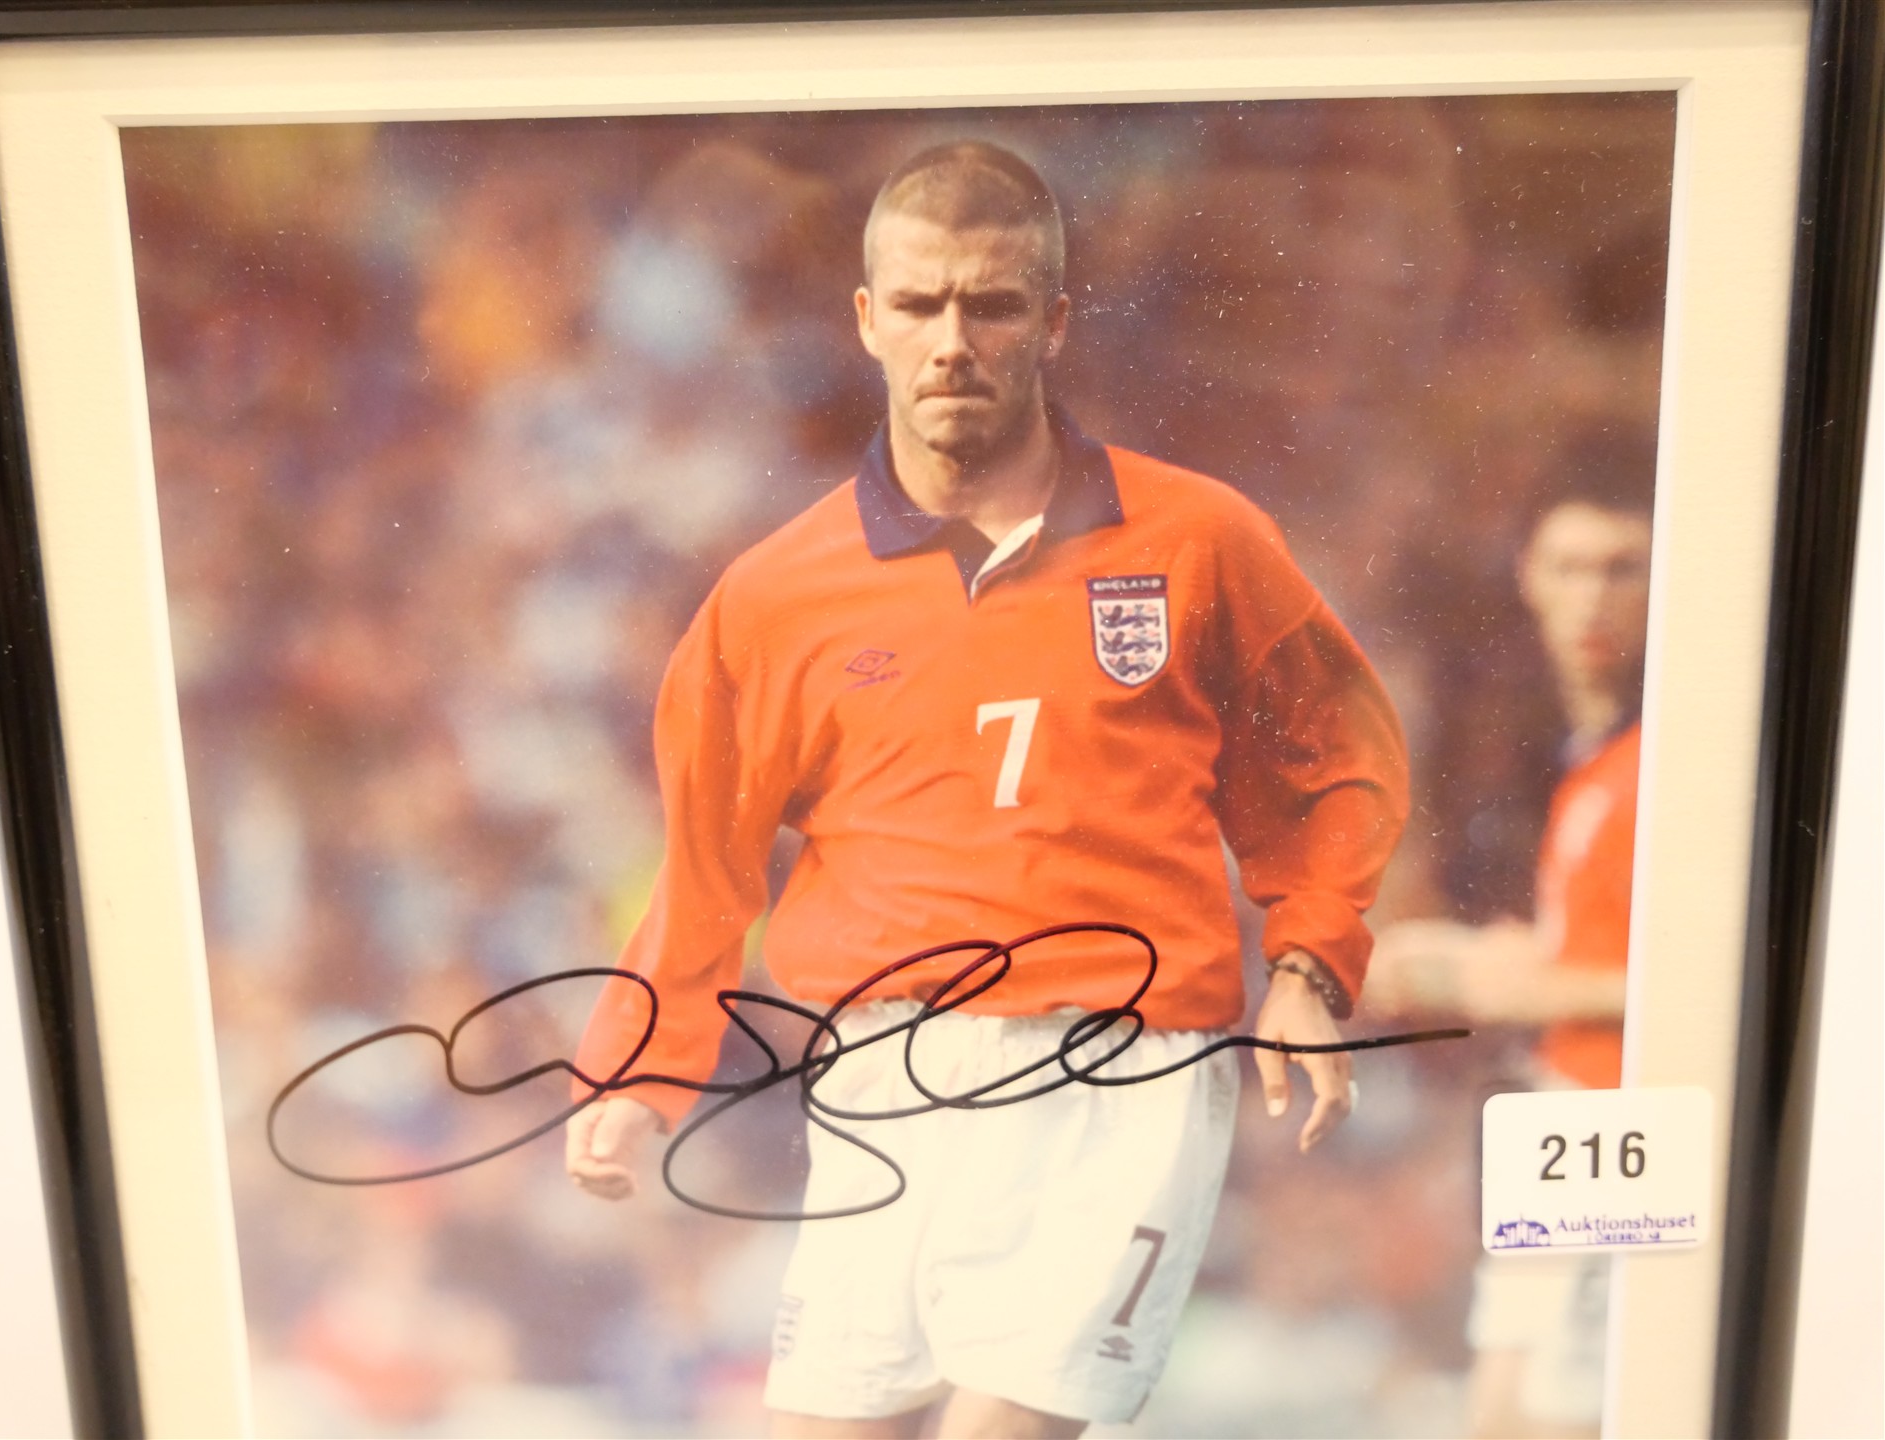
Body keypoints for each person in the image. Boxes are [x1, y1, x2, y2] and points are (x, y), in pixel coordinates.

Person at [564, 139, 1410, 1440]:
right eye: (918, 304)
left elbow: (1333, 756)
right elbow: (704, 862)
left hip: (1116, 1073)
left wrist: (1309, 963)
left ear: (1052, 321)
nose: (951, 342)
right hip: (880, 1077)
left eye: (991, 304)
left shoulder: (1197, 538)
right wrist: (638, 1067)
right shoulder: (773, 594)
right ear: (867, 320)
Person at [1366, 452, 1653, 1440]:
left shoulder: (1670, 755)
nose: (1592, 597)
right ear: (1528, 573)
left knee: (1553, 1419)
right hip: (1557, 1118)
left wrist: (1511, 987)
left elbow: (1708, 979)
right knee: (1496, 1410)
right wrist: (1485, 959)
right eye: (1569, 567)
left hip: (1618, 1123)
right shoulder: (1589, 757)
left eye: (1621, 567)